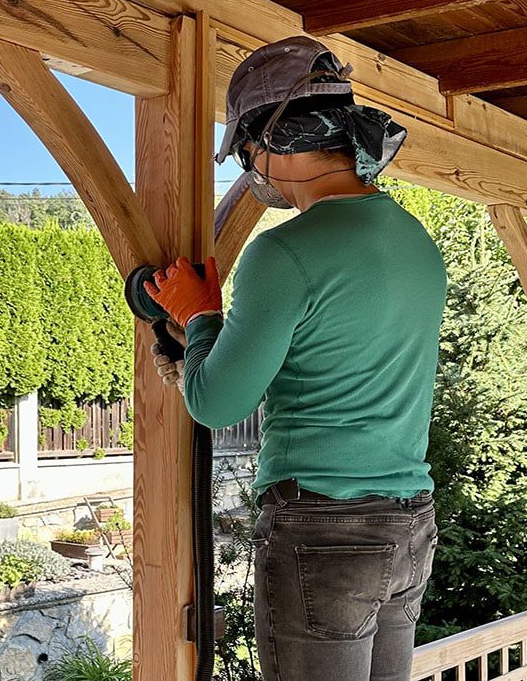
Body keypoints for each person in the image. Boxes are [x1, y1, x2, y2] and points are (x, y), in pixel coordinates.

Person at [144, 36, 447, 681]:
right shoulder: (417, 243)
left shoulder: (281, 254)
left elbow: (217, 400)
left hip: (322, 533)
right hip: (408, 526)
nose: (252, 168)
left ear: (276, 139)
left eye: (249, 152)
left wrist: (200, 317)